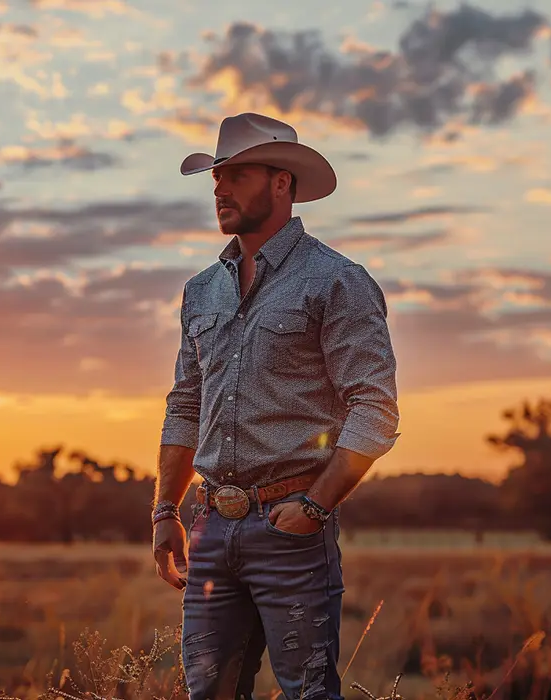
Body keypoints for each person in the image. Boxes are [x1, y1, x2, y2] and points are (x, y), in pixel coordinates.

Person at [151, 113, 401, 700]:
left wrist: (314, 507)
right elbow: (185, 403)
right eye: (216, 175)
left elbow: (375, 408)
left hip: (291, 529)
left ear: (282, 183)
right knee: (208, 694)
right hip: (211, 529)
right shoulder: (200, 291)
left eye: (236, 174)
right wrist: (166, 509)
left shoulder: (336, 281)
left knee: (307, 695)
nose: (219, 187)